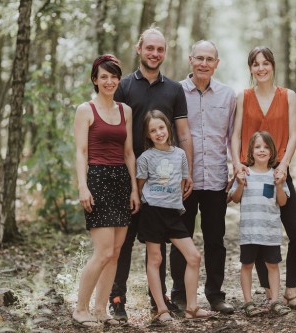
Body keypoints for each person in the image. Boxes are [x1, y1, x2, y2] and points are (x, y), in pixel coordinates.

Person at [110, 26, 193, 320]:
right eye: (150, 48)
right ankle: (117, 297)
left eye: (160, 49)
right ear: (139, 49)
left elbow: (183, 133)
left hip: (165, 182)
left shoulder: (174, 89)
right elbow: (112, 129)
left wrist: (187, 172)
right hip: (126, 175)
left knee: (157, 242)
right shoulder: (123, 87)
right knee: (125, 239)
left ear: (164, 53)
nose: (155, 54)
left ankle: (158, 299)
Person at [231, 46, 296, 312]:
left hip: (279, 171)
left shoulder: (288, 96)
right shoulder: (244, 96)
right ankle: (270, 296)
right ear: (250, 68)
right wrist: (237, 166)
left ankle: (290, 291)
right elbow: (235, 134)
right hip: (252, 173)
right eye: (255, 64)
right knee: (260, 234)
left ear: (273, 65)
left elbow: (294, 134)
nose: (261, 68)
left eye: (265, 63)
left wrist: (284, 165)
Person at [72, 54, 140, 327]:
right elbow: (80, 152)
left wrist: (134, 189)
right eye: (104, 77)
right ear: (95, 80)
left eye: (113, 76)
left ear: (118, 80)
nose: (109, 81)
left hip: (121, 181)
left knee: (115, 252)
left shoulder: (126, 111)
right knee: (102, 252)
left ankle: (101, 311)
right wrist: (82, 186)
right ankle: (80, 309)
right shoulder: (85, 110)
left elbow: (128, 153)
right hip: (98, 179)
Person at [169, 40, 236, 314]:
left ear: (216, 63)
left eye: (209, 59)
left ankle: (215, 295)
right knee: (180, 237)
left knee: (215, 239)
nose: (204, 63)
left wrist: (236, 168)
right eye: (199, 58)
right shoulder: (175, 92)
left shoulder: (228, 95)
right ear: (190, 60)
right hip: (183, 179)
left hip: (216, 177)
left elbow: (232, 136)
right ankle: (179, 294)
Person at [137, 110, 216, 323]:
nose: (158, 133)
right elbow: (140, 186)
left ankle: (191, 307)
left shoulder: (180, 154)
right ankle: (161, 310)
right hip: (153, 212)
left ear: (168, 127)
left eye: (161, 127)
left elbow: (182, 184)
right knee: (155, 259)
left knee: (194, 257)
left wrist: (174, 201)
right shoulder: (145, 158)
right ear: (148, 135)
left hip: (173, 213)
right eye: (153, 130)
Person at [230, 131, 291, 317]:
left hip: (270, 231)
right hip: (249, 231)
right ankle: (248, 302)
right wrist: (239, 183)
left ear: (272, 151)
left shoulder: (277, 175)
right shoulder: (244, 173)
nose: (262, 150)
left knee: (272, 265)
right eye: (257, 147)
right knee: (247, 265)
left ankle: (274, 301)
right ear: (251, 151)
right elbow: (235, 198)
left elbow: (282, 202)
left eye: (265, 147)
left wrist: (280, 185)